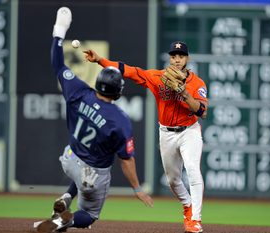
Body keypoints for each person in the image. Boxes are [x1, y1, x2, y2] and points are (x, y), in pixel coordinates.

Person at [36, 7, 153, 233]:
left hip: (69, 158)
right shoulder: (120, 121)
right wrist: (137, 188)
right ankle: (62, 221)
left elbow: (58, 65)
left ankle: (66, 196)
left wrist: (59, 33)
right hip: (93, 175)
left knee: (81, 172)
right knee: (88, 216)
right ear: (118, 92)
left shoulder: (78, 91)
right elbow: (126, 160)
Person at [84, 40, 208, 233]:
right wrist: (100, 60)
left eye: (181, 56)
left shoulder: (197, 83)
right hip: (166, 133)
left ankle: (195, 220)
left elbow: (202, 111)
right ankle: (187, 205)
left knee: (192, 170)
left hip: (189, 132)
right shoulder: (157, 77)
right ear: (170, 58)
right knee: (173, 181)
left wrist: (184, 93)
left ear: (187, 58)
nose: (177, 60)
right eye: (174, 56)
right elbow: (128, 71)